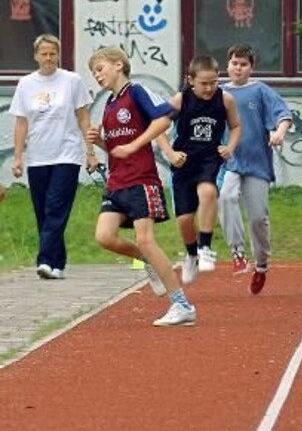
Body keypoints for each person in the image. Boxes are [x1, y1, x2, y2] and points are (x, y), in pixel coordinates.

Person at [87, 46, 196, 327]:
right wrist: (99, 142)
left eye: (100, 69)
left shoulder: (136, 92)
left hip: (141, 180)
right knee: (104, 237)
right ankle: (147, 260)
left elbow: (163, 118)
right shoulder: (110, 105)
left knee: (146, 239)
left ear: (119, 65)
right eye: (94, 72)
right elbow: (116, 148)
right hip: (117, 182)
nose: (97, 76)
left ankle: (182, 305)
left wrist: (135, 144)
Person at [10, 34, 97, 280]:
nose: (48, 58)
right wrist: (18, 157)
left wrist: (90, 153)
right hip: (38, 156)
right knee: (42, 211)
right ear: (36, 56)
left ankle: (45, 259)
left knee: (55, 207)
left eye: (52, 53)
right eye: (43, 53)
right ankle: (57, 264)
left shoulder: (71, 81)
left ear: (58, 55)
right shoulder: (26, 84)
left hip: (66, 154)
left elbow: (83, 117)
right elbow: (21, 123)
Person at [158, 56, 242, 286]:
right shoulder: (180, 100)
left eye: (214, 82)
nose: (209, 88)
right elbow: (158, 127)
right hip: (184, 162)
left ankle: (205, 247)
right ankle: (192, 254)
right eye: (204, 83)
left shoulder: (225, 99)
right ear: (191, 80)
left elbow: (236, 126)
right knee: (185, 219)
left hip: (209, 158)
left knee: (208, 193)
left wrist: (230, 147)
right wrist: (170, 153)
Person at [218, 44, 293, 295]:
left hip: (257, 163)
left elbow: (283, 114)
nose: (238, 68)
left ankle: (261, 264)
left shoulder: (260, 91)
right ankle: (237, 252)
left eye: (243, 64)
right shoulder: (217, 92)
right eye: (234, 63)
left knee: (258, 218)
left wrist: (279, 132)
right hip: (230, 161)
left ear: (251, 67)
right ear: (227, 65)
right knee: (226, 197)